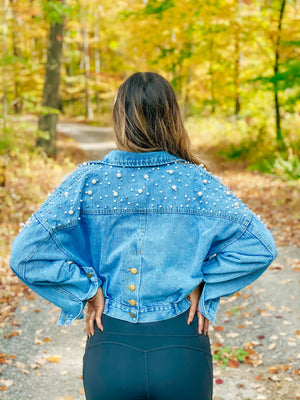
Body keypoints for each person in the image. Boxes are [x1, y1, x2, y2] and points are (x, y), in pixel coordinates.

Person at [10, 71, 277, 400]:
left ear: (119, 118)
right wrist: (204, 282)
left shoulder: (86, 180)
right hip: (182, 347)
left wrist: (87, 290)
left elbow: (25, 254)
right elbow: (261, 247)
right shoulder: (197, 182)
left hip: (109, 348)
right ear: (172, 117)